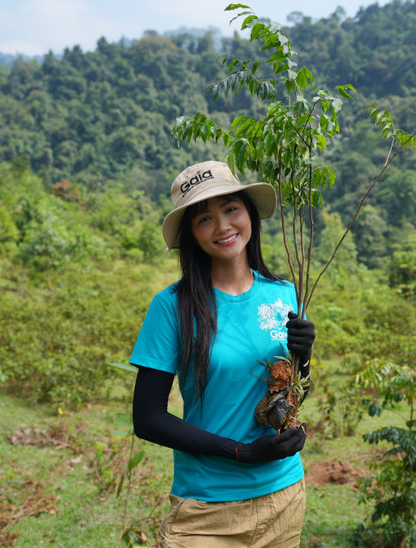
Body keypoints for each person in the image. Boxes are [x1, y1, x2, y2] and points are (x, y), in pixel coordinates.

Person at [130, 160, 316, 547]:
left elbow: (290, 394)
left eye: (231, 209)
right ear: (192, 234)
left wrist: (306, 357)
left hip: (284, 495)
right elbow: (148, 418)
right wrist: (240, 452)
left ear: (249, 213)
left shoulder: (282, 293)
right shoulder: (171, 307)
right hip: (207, 508)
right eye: (204, 219)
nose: (223, 226)